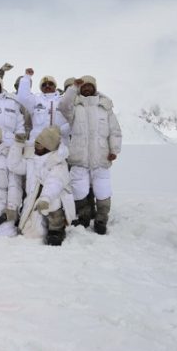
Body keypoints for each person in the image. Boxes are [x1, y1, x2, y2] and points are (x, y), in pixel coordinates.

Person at [60, 76, 122, 234]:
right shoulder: (74, 106)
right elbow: (63, 106)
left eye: (89, 86)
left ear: (94, 87)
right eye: (83, 86)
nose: (86, 88)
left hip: (101, 157)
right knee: (79, 190)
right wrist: (73, 87)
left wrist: (114, 150)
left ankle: (101, 219)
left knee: (103, 190)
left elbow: (115, 131)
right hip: (79, 157)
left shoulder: (104, 107)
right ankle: (84, 216)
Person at [8, 127, 75, 245]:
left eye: (39, 145)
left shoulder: (59, 163)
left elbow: (54, 182)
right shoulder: (32, 159)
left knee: (54, 202)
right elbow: (14, 166)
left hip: (51, 201)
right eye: (36, 143)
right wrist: (18, 145)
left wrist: (45, 198)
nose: (36, 146)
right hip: (34, 202)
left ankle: (56, 230)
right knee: (31, 233)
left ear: (48, 147)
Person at [16, 68, 70, 146]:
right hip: (38, 143)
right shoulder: (35, 100)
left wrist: (62, 131)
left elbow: (72, 120)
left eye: (50, 84)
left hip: (60, 142)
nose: (47, 86)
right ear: (41, 88)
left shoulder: (63, 100)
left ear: (55, 86)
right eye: (44, 85)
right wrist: (27, 77)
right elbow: (22, 97)